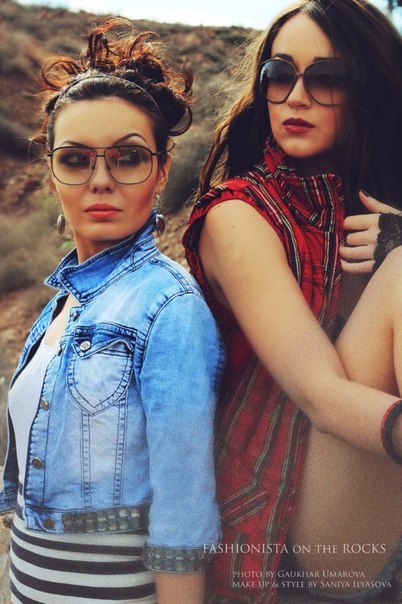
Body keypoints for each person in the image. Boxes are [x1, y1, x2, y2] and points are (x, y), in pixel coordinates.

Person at [183, 0, 402, 602]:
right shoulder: (238, 215)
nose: (296, 97)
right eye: (279, 75)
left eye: (327, 79)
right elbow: (318, 394)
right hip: (287, 521)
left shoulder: (384, 213)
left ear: (372, 90)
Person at [0, 19, 225, 604]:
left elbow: (183, 510)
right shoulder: (64, 303)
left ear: (162, 168)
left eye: (127, 157)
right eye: (76, 159)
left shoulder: (169, 307)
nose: (100, 180)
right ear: (53, 172)